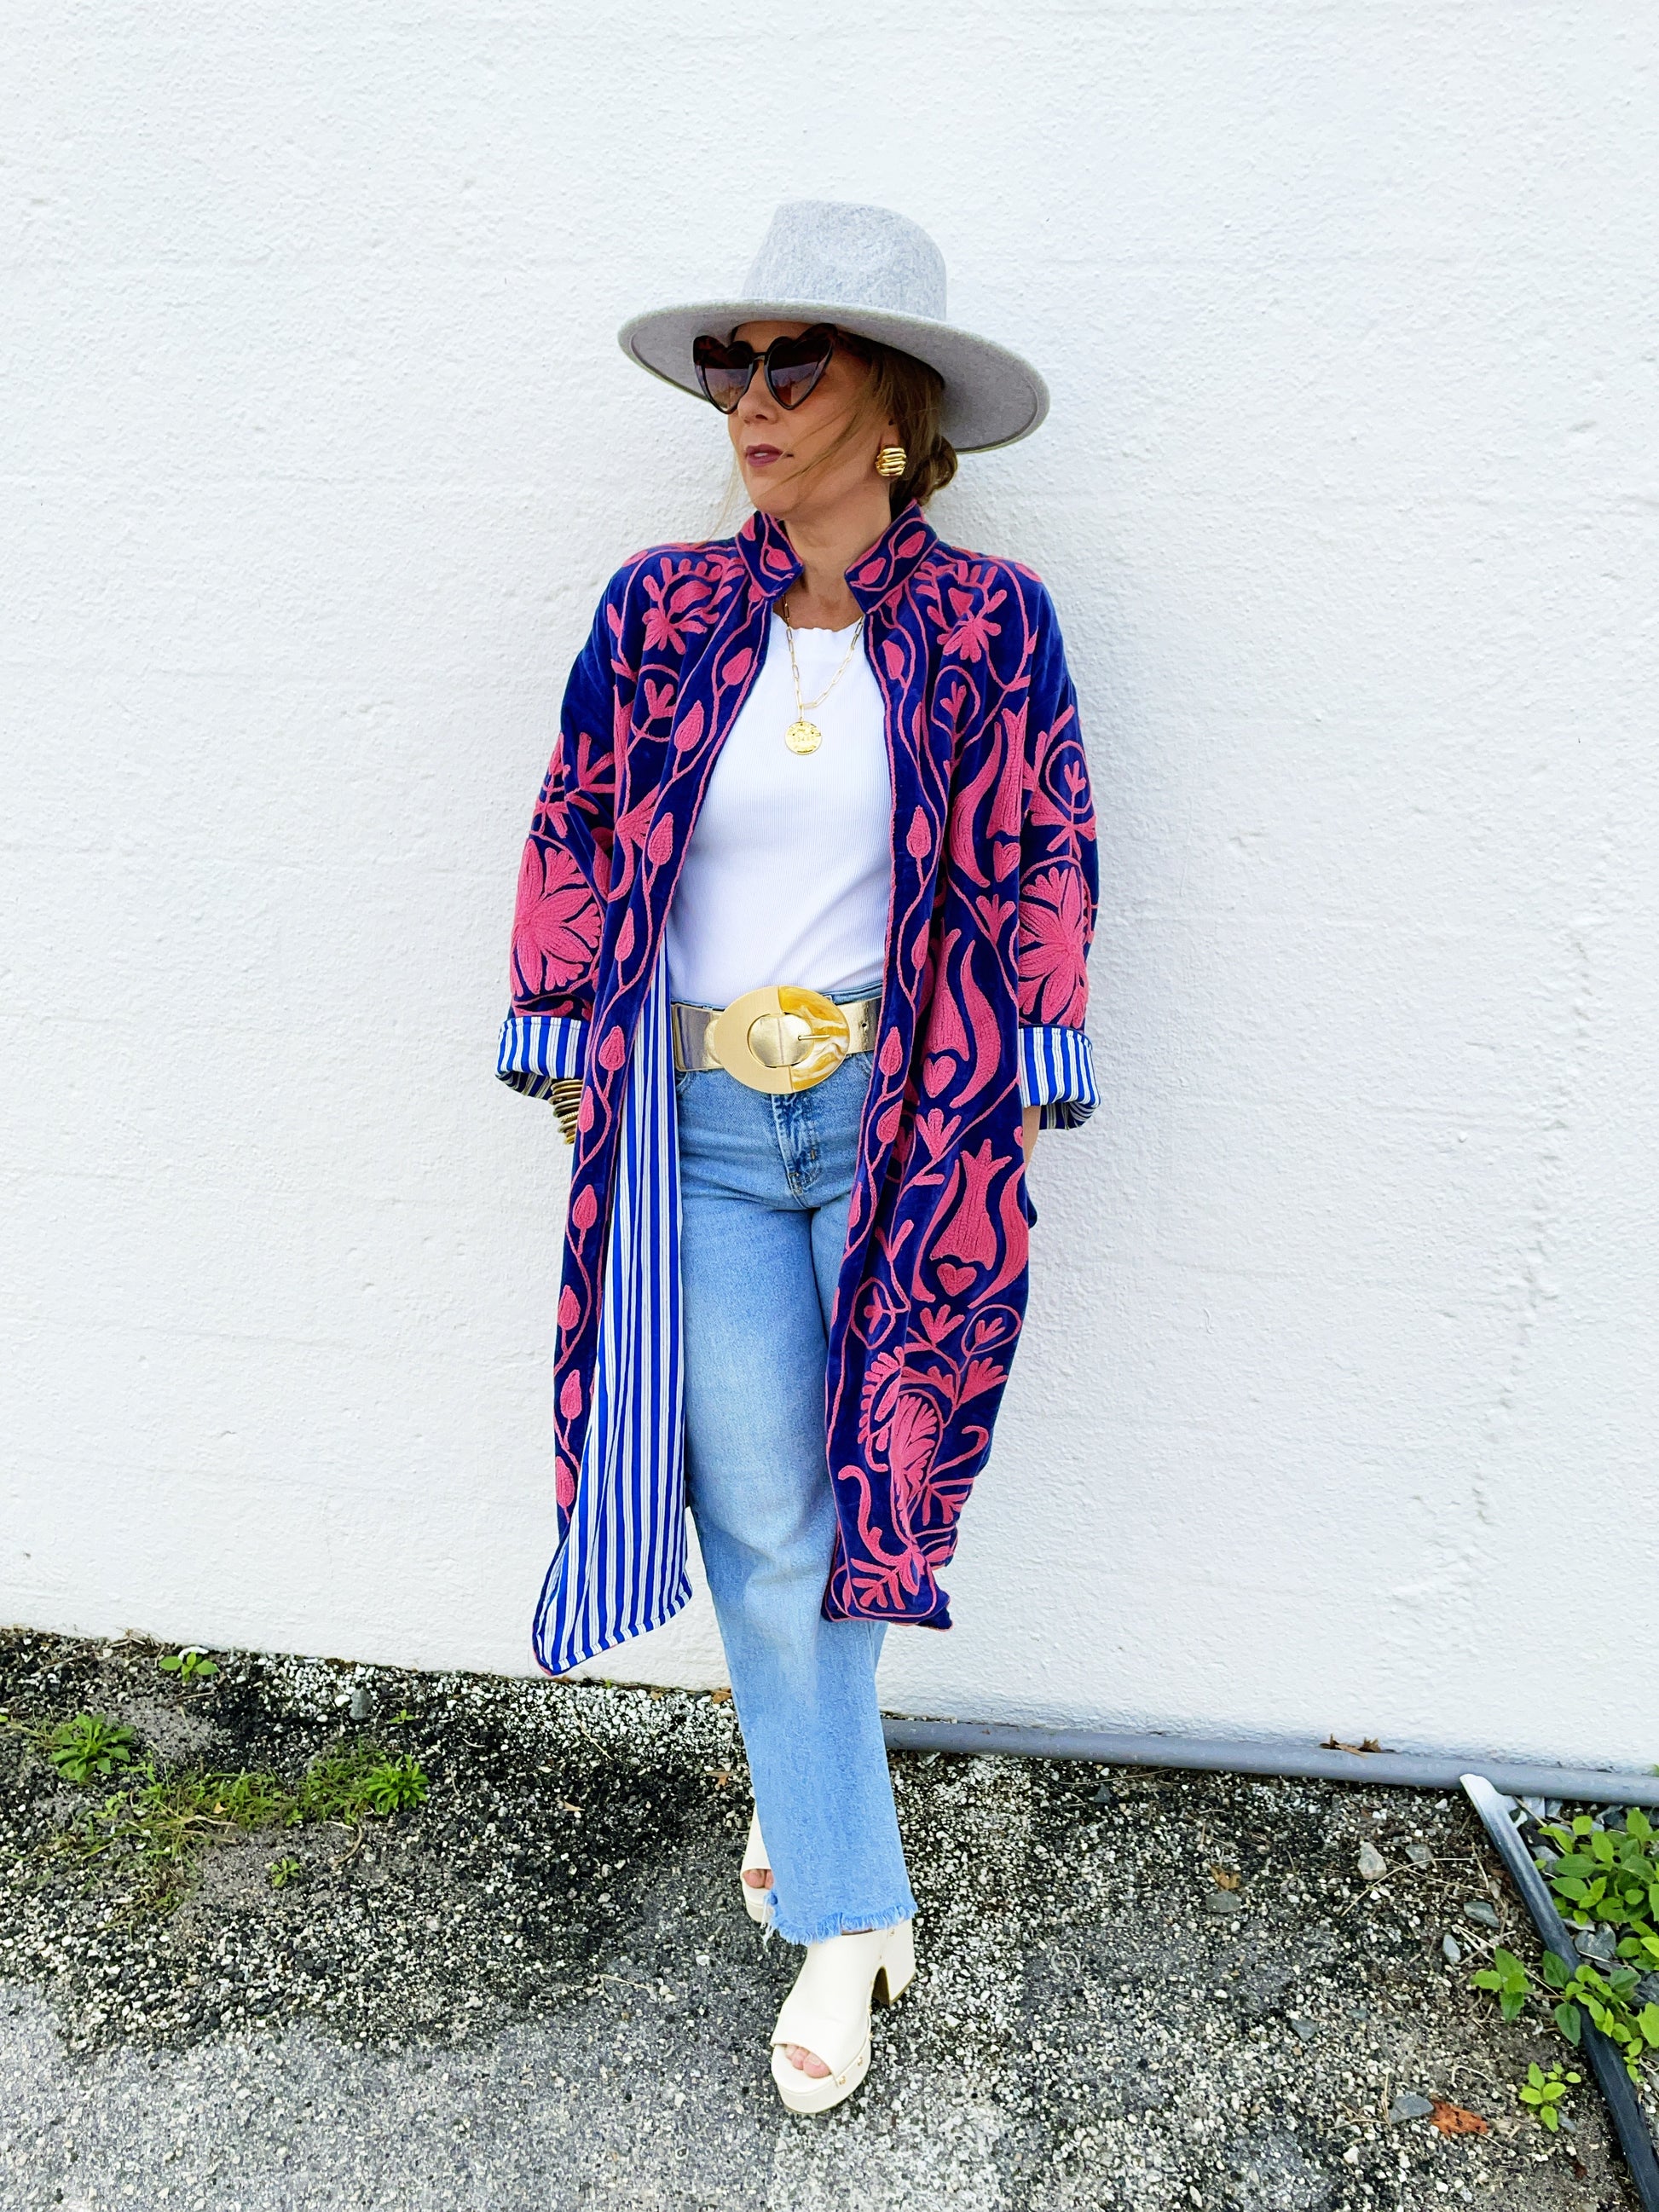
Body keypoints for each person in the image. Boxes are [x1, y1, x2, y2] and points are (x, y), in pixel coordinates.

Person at [498, 200, 1098, 2114]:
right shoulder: (659, 610)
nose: (746, 400)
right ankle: (851, 1905)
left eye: (790, 363)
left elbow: (1043, 846)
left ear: (892, 405)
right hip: (697, 1127)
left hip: (899, 1123)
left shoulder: (992, 625)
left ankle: (814, 1811)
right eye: (727, 364)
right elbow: (578, 818)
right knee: (765, 1526)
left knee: (868, 1502)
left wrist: (1036, 1050)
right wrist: (558, 1023)